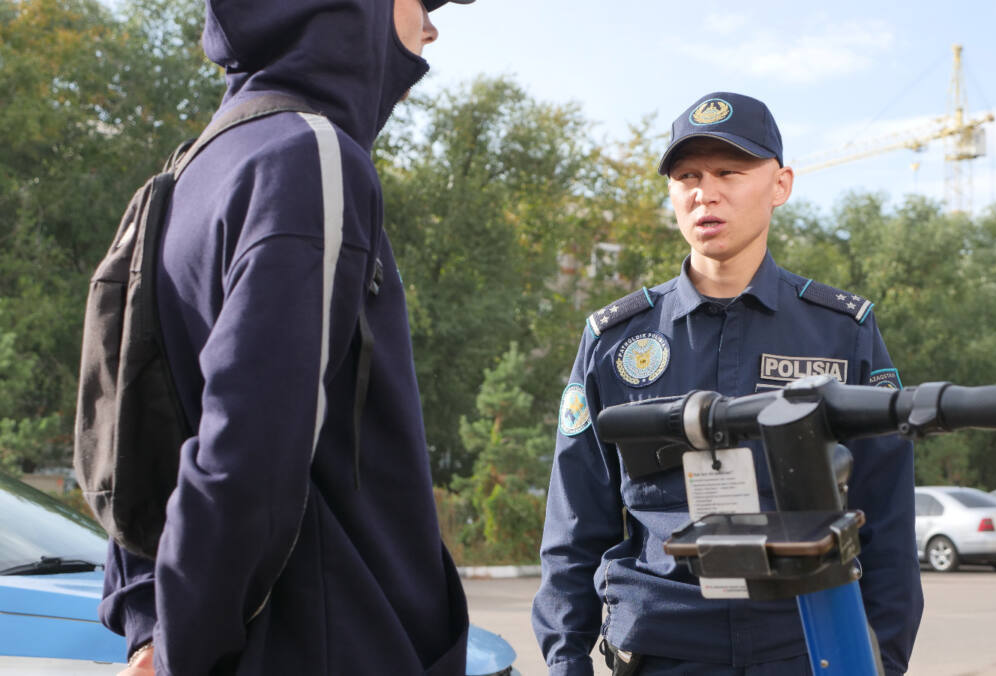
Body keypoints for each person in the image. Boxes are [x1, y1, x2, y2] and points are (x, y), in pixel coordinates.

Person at [100, 0, 475, 674]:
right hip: (322, 646)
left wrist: (152, 624)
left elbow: (134, 439)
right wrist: (188, 646)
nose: (431, 28)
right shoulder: (311, 156)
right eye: (421, 0)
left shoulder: (190, 170)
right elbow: (249, 452)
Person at [533, 92, 923, 675]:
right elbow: (574, 523)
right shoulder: (615, 340)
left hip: (804, 647)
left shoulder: (843, 333)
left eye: (729, 172)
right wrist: (567, 663)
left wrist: (881, 663)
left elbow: (886, 519)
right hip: (662, 651)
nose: (704, 192)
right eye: (687, 175)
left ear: (780, 185)